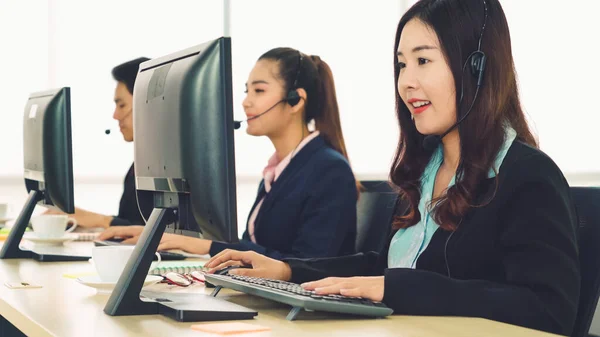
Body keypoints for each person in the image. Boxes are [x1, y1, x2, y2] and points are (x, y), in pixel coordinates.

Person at [203, 0, 580, 335]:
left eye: (423, 60)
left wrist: (398, 288)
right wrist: (288, 271)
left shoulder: (528, 177)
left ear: (476, 68)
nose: (406, 82)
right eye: (401, 65)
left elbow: (548, 310)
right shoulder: (425, 170)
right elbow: (383, 266)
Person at [99, 48, 361, 260]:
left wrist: (208, 246)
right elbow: (256, 247)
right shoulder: (279, 171)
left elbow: (308, 265)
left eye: (259, 90)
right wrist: (170, 237)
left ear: (295, 100)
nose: (246, 102)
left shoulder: (328, 170)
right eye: (247, 91)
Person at [46, 57, 152, 228]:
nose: (115, 116)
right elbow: (134, 225)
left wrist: (101, 221)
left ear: (146, 104)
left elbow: (153, 232)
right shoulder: (139, 165)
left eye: (122, 105)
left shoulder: (171, 167)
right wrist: (85, 221)